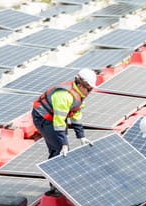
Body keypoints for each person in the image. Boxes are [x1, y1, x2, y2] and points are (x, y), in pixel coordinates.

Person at [32, 67, 97, 196]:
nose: (90, 92)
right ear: (80, 84)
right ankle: (55, 186)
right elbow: (59, 121)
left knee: (60, 148)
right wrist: (64, 143)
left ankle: (57, 182)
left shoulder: (79, 95)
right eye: (88, 89)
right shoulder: (64, 96)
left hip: (55, 119)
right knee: (58, 150)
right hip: (43, 119)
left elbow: (76, 114)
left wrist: (81, 136)